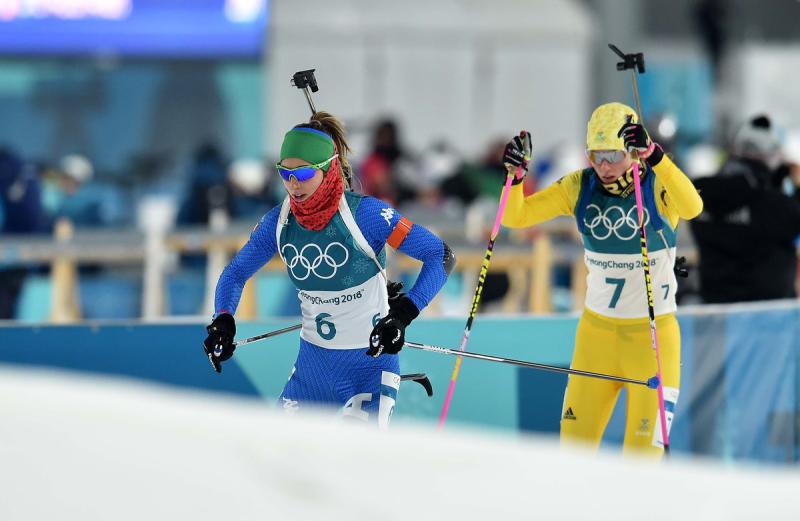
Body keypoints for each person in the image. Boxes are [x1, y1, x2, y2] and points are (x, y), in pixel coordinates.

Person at [203, 111, 455, 428]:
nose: (294, 185)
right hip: (314, 369)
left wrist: (404, 313)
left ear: (328, 169)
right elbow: (235, 273)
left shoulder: (367, 215)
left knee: (355, 466)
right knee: (279, 462)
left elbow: (440, 254)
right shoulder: (278, 223)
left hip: (371, 366)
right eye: (286, 174)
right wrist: (222, 320)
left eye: (305, 174)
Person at [500, 102, 703, 457]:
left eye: (613, 155)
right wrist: (515, 179)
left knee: (642, 463)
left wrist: (655, 156)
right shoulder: (580, 185)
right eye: (595, 155)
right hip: (597, 338)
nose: (604, 166)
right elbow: (516, 218)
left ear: (633, 151)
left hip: (653, 342)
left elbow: (692, 207)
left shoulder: (657, 183)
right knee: (574, 456)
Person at [691, 115, 800, 303]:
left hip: (714, 315)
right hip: (770, 318)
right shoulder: (776, 207)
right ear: (773, 158)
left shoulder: (697, 194)